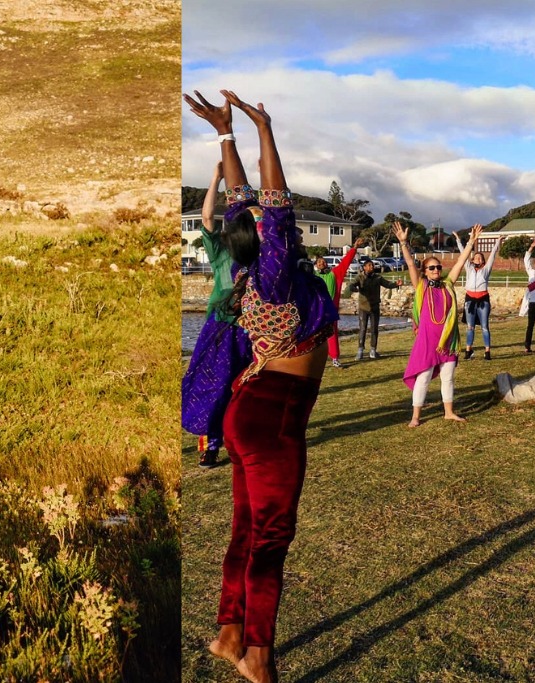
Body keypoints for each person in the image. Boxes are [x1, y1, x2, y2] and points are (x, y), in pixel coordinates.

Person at [188, 89, 337, 683]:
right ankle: (258, 654)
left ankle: (229, 632)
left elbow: (248, 203)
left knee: (248, 531)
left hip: (254, 411)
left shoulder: (252, 266)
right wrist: (264, 129)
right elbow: (271, 206)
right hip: (273, 415)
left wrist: (226, 136)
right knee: (270, 540)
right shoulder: (273, 279)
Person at [183, 160, 254, 470]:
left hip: (248, 330)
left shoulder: (256, 256)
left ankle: (241, 441)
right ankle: (209, 447)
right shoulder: (220, 251)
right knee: (212, 384)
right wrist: (215, 178)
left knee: (243, 386)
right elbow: (208, 216)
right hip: (219, 327)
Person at [396, 223, 481, 427]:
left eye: (438, 267)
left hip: (448, 340)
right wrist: (403, 243)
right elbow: (409, 264)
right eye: (431, 268)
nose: (436, 270)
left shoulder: (447, 285)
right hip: (427, 340)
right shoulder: (421, 286)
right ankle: (416, 416)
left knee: (448, 377)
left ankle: (448, 412)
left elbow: (460, 263)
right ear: (425, 271)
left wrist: (471, 242)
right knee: (423, 377)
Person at [318, 239, 362, 369]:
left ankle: (335, 358)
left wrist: (354, 248)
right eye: (319, 262)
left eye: (323, 261)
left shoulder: (334, 274)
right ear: (316, 265)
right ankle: (315, 358)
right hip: (316, 310)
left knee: (332, 335)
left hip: (330, 310)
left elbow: (345, 262)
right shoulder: (312, 275)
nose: (322, 263)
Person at [458, 231, 501, 360]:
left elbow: (493, 254)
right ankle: (468, 350)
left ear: (483, 260)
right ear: (472, 260)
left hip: (483, 299)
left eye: (480, 258)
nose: (478, 259)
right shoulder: (469, 267)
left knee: (484, 326)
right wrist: (458, 241)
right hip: (470, 299)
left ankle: (487, 351)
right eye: (476, 257)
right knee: (470, 327)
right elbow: (463, 254)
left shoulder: (486, 269)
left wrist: (498, 241)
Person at [350, 260, 399, 360]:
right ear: (364, 267)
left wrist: (396, 284)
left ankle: (373, 350)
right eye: (369, 265)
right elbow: (352, 285)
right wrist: (354, 289)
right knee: (363, 329)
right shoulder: (359, 277)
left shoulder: (378, 277)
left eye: (372, 265)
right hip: (363, 307)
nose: (371, 266)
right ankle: (360, 350)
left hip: (375, 307)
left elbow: (387, 284)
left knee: (374, 329)